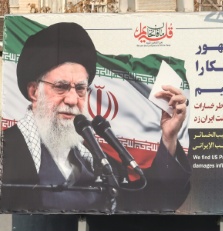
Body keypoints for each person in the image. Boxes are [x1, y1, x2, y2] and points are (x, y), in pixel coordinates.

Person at [0, 22, 192, 213]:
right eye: (61, 87)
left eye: (80, 89)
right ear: (34, 92)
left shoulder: (100, 162)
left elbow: (151, 202)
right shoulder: (6, 151)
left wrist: (169, 137)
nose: (72, 99)